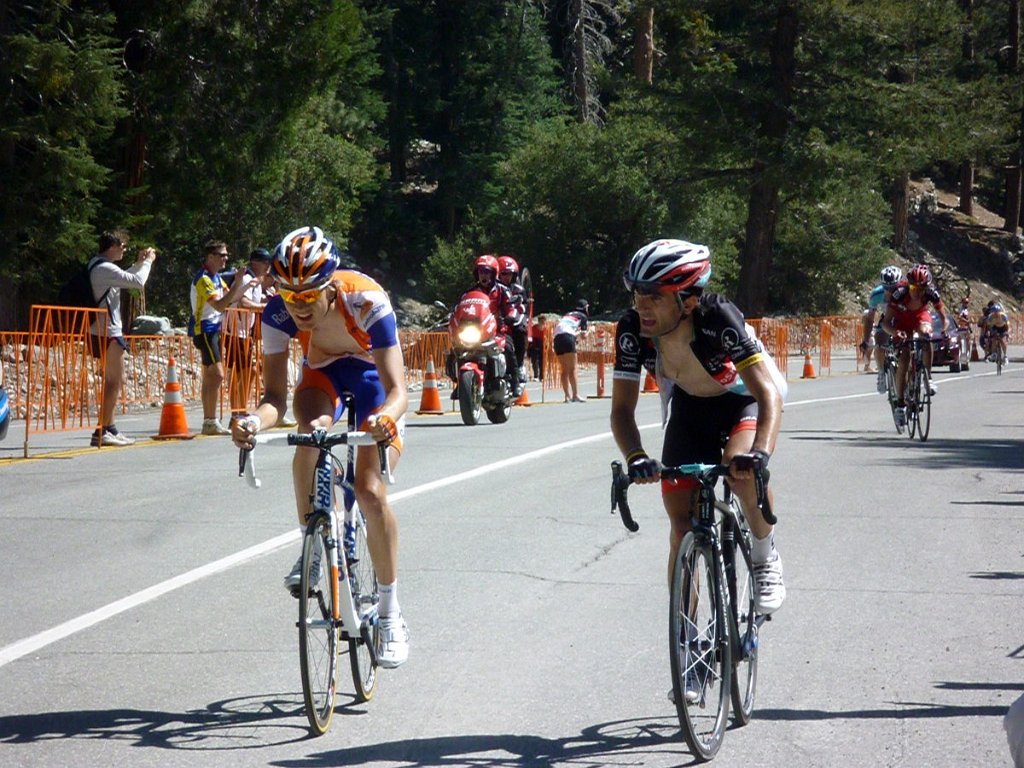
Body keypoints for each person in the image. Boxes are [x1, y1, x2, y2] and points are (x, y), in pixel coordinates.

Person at [610, 240, 788, 687]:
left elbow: (768, 395)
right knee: (680, 527)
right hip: (691, 409)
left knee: (739, 471)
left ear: (687, 299)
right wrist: (636, 457)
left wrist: (760, 454)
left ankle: (765, 554)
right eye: (637, 294)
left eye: (655, 296)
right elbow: (621, 411)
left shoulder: (717, 317)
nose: (642, 306)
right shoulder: (632, 329)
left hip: (742, 401)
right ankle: (688, 646)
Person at [231, 225, 410, 668]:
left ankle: (390, 613)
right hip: (322, 376)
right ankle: (311, 545)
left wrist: (386, 419)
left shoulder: (366, 299)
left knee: (369, 490)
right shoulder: (277, 313)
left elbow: (397, 390)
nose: (299, 306)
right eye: (290, 296)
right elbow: (275, 399)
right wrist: (252, 421)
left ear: (330, 286)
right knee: (309, 434)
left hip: (372, 378)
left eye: (309, 296)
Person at [87, 230, 157, 446]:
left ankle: (110, 428)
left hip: (102, 329)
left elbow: (124, 277)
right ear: (112, 247)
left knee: (115, 380)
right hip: (108, 331)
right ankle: (102, 430)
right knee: (114, 381)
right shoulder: (105, 268)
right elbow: (137, 281)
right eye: (123, 246)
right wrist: (148, 262)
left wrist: (139, 263)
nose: (124, 250)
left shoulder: (98, 265)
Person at [188, 240, 248, 435]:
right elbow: (221, 305)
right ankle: (210, 420)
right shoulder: (204, 279)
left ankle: (209, 421)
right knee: (218, 374)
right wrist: (237, 284)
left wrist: (245, 284)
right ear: (210, 257)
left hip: (214, 329)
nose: (226, 258)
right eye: (222, 255)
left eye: (226, 255)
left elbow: (232, 298)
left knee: (210, 376)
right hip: (205, 329)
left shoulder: (216, 278)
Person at [881, 263, 947, 429]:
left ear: (926, 287)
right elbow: (886, 322)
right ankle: (900, 404)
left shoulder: (932, 293)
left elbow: (943, 318)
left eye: (921, 288)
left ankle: (928, 377)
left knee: (926, 336)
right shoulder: (899, 293)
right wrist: (895, 333)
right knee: (904, 359)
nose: (916, 292)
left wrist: (943, 331)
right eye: (913, 287)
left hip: (920, 317)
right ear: (908, 285)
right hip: (901, 321)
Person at [460, 254, 521, 396]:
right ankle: (461, 384)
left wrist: (510, 316)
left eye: (487, 272)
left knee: (508, 348)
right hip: (476, 329)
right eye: (481, 271)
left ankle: (515, 382)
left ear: (494, 274)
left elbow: (511, 306)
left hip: (497, 330)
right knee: (457, 349)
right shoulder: (470, 292)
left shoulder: (502, 290)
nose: (484, 275)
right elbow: (460, 308)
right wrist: (453, 317)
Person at [225, 248, 275, 414]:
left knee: (243, 372)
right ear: (255, 263)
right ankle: (238, 410)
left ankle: (239, 409)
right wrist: (264, 307)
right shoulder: (247, 279)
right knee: (246, 371)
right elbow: (244, 303)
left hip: (244, 333)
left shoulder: (256, 282)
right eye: (265, 263)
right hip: (234, 331)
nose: (268, 267)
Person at [860, 265, 902, 392]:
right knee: (879, 343)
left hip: (903, 319)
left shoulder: (906, 292)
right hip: (887, 319)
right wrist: (866, 340)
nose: (889, 291)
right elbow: (869, 319)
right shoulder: (876, 294)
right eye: (886, 288)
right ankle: (881, 372)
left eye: (893, 288)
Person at [497, 255, 529, 386]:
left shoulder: (518, 290)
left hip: (510, 321)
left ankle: (519, 366)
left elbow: (522, 306)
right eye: (504, 273)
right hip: (490, 321)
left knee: (520, 330)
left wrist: (513, 315)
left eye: (510, 274)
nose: (507, 277)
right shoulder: (491, 288)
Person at [553, 299, 589, 402]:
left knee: (564, 369)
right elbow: (584, 336)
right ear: (585, 308)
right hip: (568, 337)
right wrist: (589, 331)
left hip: (557, 337)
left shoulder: (568, 314)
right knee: (572, 369)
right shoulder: (583, 317)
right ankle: (575, 395)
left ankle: (567, 396)